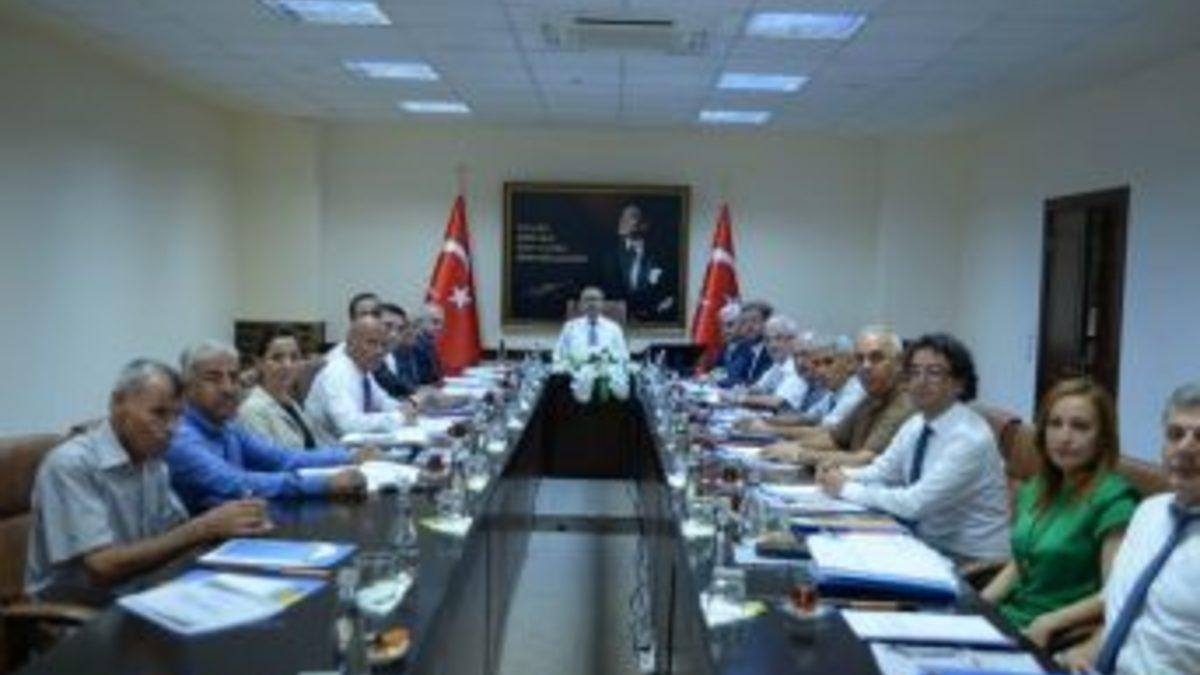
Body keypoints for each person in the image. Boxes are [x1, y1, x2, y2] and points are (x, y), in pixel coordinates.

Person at [26, 360, 271, 599]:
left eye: (178, 415)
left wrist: (229, 525)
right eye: (159, 413)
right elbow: (101, 567)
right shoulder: (71, 464)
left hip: (140, 591)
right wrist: (203, 528)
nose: (171, 428)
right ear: (117, 403)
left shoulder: (153, 463)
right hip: (76, 609)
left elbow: (174, 534)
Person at [817, 333, 1010, 562]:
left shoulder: (969, 439)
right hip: (924, 545)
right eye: (914, 372)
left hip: (970, 560)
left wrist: (845, 488)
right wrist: (839, 473)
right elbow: (883, 470)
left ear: (959, 384)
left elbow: (914, 504)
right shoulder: (917, 423)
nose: (921, 381)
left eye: (934, 373)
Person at [981, 378, 1138, 654]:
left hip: (1054, 635)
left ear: (1103, 438)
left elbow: (1115, 593)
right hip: (1009, 618)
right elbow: (1020, 564)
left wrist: (1049, 622)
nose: (1064, 437)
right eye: (1055, 424)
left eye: (1080, 426)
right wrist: (978, 606)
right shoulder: (1036, 487)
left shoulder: (1115, 501)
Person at [1067, 382, 1200, 675]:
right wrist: (1086, 652)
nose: (1185, 448)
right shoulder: (1148, 511)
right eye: (1175, 434)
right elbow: (1123, 606)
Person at [167, 341, 367, 514]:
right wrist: (324, 483)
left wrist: (348, 456)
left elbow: (281, 458)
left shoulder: (226, 426)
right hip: (202, 540)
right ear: (186, 386)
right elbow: (234, 483)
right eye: (213, 378)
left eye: (233, 377)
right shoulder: (180, 437)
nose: (228, 388)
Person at [762, 326, 914, 468]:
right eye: (860, 359)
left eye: (876, 358)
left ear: (899, 363)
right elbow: (833, 438)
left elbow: (866, 459)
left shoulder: (905, 401)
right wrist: (792, 446)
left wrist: (799, 454)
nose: (866, 366)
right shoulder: (872, 397)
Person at [306, 316, 417, 438]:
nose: (379, 351)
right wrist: (398, 418)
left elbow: (382, 401)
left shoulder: (363, 369)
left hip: (357, 443)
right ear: (350, 343)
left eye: (383, 345)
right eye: (371, 343)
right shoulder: (336, 373)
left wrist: (404, 408)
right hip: (329, 446)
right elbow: (348, 425)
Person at [238, 327, 338, 449]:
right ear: (259, 363)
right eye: (277, 358)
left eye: (294, 357)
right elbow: (272, 458)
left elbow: (319, 446)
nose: (287, 365)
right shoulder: (252, 411)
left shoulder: (292, 404)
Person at [603, 202, 675, 322]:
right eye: (622, 216)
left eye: (631, 216)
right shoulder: (609, 255)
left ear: (645, 224)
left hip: (653, 321)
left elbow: (670, 292)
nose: (623, 221)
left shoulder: (661, 255)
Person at [737, 315, 809, 411]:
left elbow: (778, 402)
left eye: (778, 338)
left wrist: (738, 399)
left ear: (792, 340)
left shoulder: (798, 366)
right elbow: (757, 389)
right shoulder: (778, 365)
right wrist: (734, 394)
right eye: (767, 340)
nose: (772, 345)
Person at [554, 286, 629, 362]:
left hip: (606, 367)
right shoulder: (570, 327)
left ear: (602, 303)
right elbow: (558, 354)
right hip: (576, 367)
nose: (591, 303)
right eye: (587, 300)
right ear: (581, 304)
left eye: (595, 299)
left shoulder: (613, 328)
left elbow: (623, 355)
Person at [719, 301, 773, 387]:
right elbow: (733, 377)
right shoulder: (742, 348)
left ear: (767, 323)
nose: (749, 327)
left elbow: (761, 385)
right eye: (744, 322)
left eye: (754, 321)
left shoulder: (773, 351)